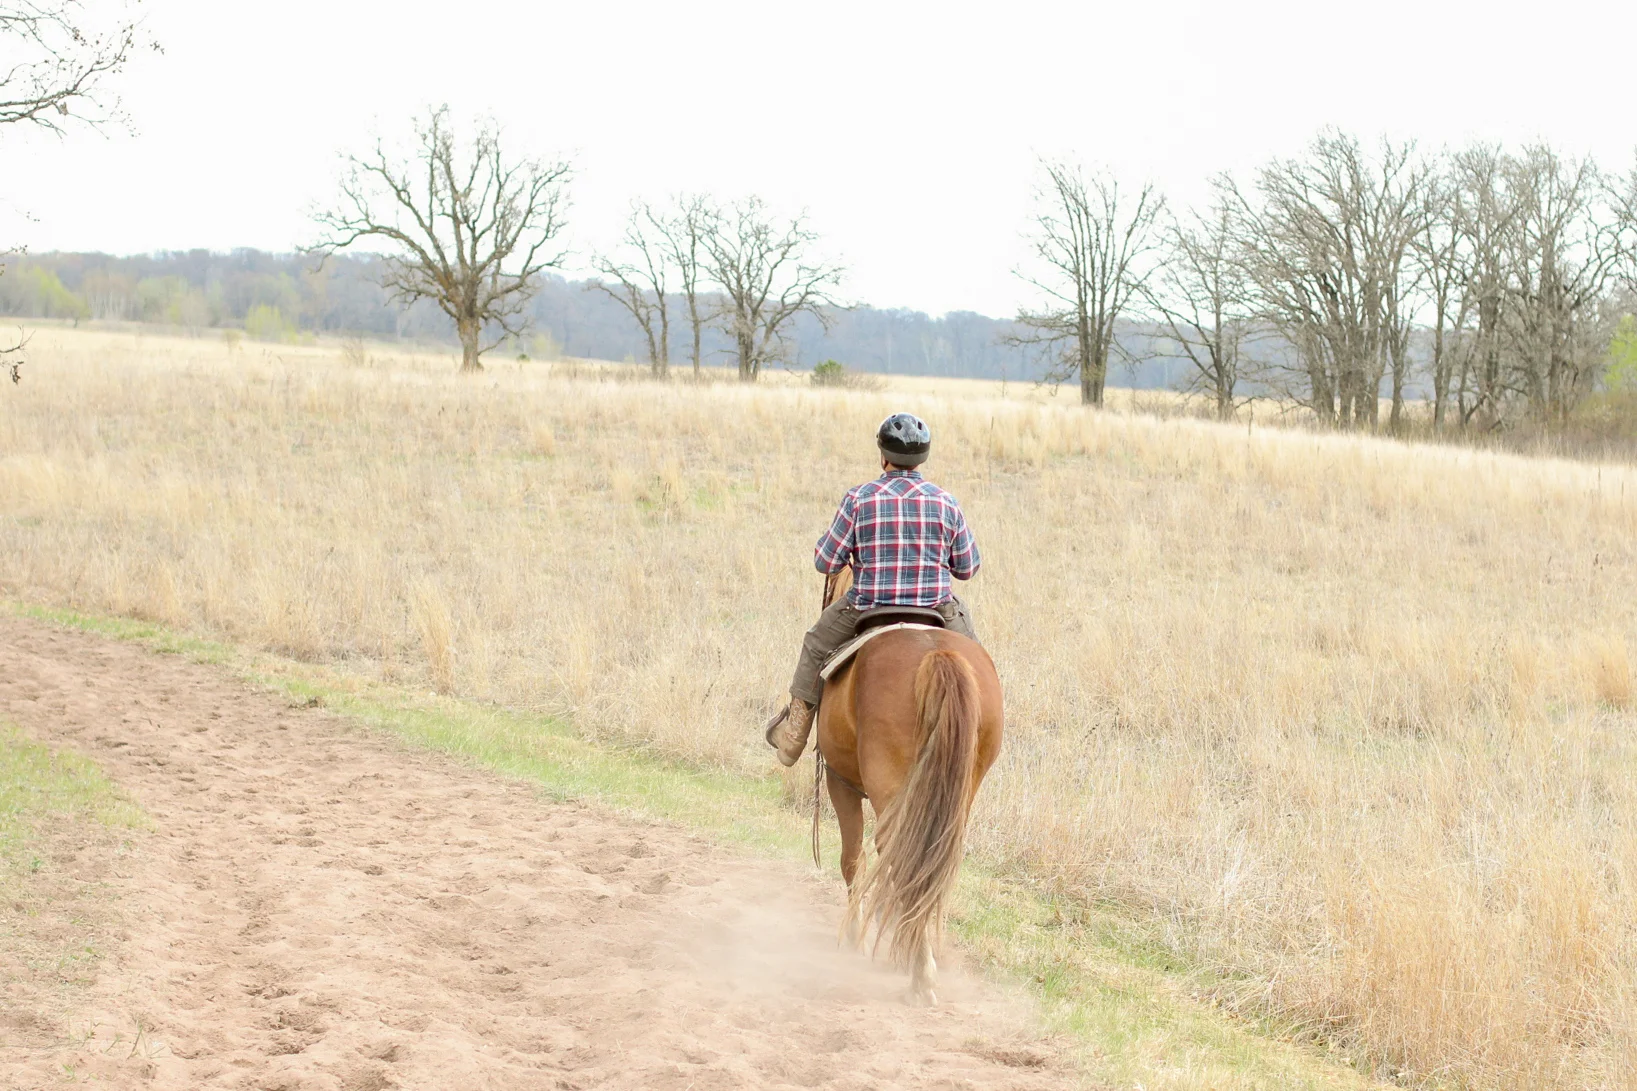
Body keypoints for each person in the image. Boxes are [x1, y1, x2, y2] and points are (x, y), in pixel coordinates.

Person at [764, 412, 981, 767]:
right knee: (974, 661)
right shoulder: (946, 502)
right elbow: (968, 568)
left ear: (883, 457)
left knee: (815, 643)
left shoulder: (859, 498)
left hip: (867, 607)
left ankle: (794, 735)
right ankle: (975, 729)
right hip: (937, 608)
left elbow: (826, 562)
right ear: (923, 458)